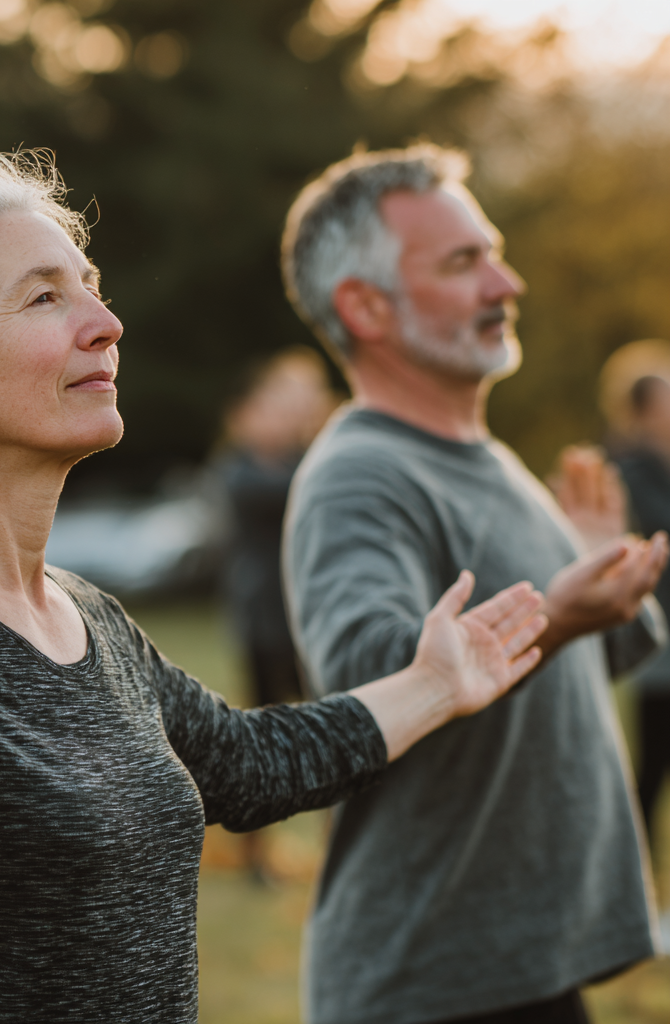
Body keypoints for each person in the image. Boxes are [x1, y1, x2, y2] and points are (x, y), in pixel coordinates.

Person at [0, 150, 548, 1024]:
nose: (105, 322)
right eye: (46, 295)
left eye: (91, 285)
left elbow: (248, 764)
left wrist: (436, 682)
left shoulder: (92, 620)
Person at [279, 144, 668, 1024]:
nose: (508, 282)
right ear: (366, 307)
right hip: (434, 984)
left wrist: (597, 586)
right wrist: (557, 615)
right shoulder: (361, 473)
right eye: (466, 262)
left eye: (492, 251)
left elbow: (555, 674)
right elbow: (369, 688)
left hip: (520, 969)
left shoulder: (485, 458)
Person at [219, 347, 335, 708]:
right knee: (269, 709)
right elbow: (304, 488)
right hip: (263, 617)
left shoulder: (297, 461)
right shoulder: (241, 474)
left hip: (299, 611)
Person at [597, 339, 670, 840]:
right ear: (643, 412)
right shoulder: (627, 468)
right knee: (655, 761)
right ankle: (637, 864)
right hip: (657, 635)